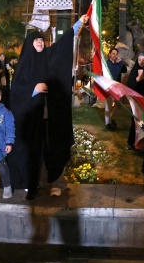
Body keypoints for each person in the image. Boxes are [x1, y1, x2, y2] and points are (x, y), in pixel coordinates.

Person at [8, 14, 88, 200]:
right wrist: (34, 89)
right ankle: (36, 182)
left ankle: (56, 183)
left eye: (42, 40)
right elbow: (17, 91)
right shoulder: (23, 66)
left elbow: (64, 42)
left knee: (56, 146)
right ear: (29, 44)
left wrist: (80, 22)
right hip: (32, 117)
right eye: (36, 40)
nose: (40, 43)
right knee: (36, 150)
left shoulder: (50, 57)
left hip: (52, 114)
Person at [104, 48, 127, 130]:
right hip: (108, 87)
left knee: (118, 105)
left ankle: (111, 119)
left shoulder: (118, 63)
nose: (115, 55)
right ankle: (108, 124)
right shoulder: (106, 64)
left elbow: (124, 70)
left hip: (117, 87)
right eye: (113, 53)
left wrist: (120, 62)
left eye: (116, 54)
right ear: (110, 54)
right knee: (108, 106)